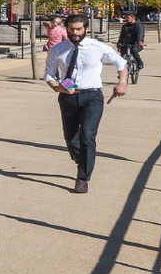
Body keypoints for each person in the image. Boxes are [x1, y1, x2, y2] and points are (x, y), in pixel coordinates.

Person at [45, 13, 129, 193]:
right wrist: (59, 88)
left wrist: (122, 83)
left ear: (86, 29)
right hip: (68, 97)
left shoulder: (97, 47)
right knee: (71, 139)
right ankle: (82, 159)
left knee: (87, 136)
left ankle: (82, 178)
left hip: (92, 97)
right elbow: (49, 75)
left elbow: (121, 63)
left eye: (78, 29)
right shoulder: (57, 50)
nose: (75, 32)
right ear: (66, 28)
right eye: (71, 29)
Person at [115, 10, 145, 82]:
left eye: (127, 17)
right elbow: (121, 36)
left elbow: (140, 34)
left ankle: (139, 63)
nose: (126, 19)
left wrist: (139, 41)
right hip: (126, 44)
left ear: (132, 17)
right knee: (122, 58)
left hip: (136, 44)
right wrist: (119, 44)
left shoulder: (139, 25)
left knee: (134, 52)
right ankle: (123, 73)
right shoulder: (125, 27)